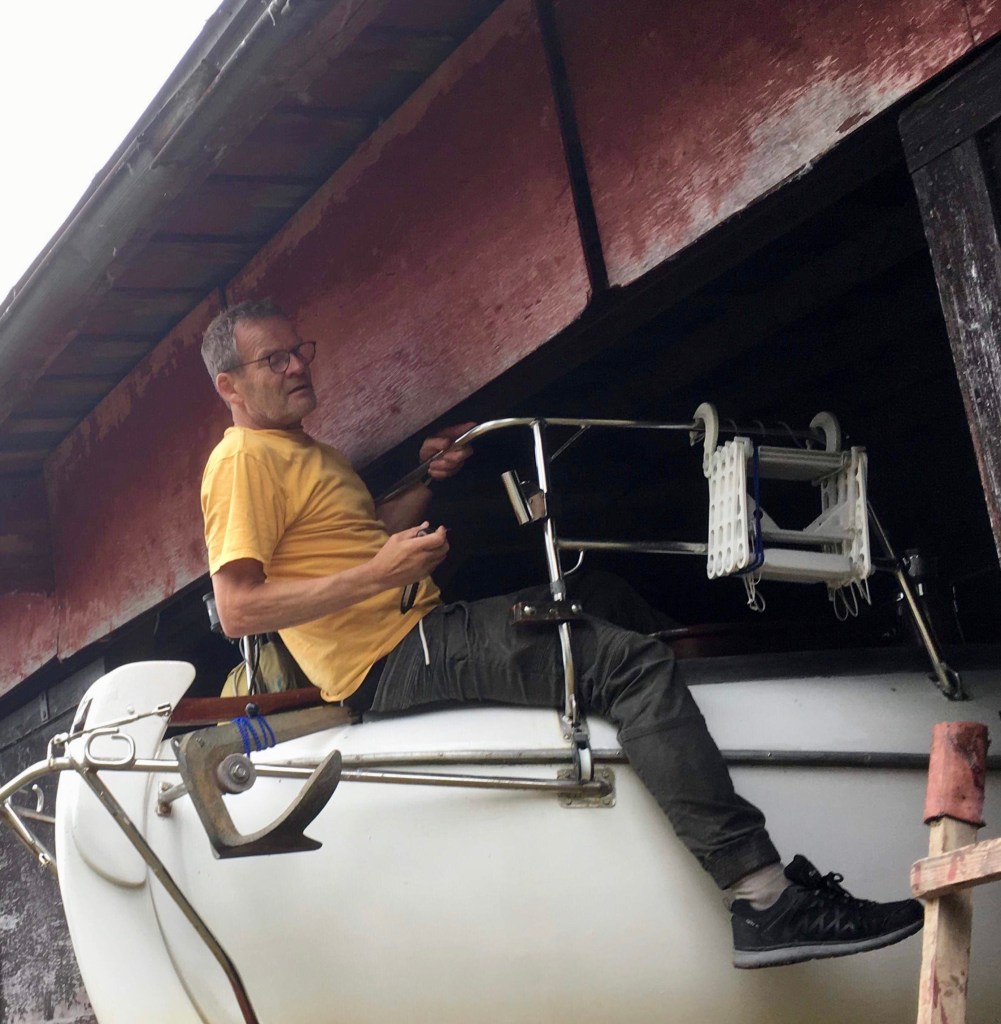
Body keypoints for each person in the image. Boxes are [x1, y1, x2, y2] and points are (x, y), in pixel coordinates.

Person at [199, 298, 923, 969]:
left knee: (598, 590)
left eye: (299, 350)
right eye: (274, 360)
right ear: (230, 386)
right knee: (629, 665)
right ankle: (764, 900)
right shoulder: (240, 462)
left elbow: (358, 537)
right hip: (389, 656)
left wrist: (426, 478)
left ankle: (696, 735)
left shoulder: (308, 452)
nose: (296, 367)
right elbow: (238, 608)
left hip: (415, 630)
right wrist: (378, 574)